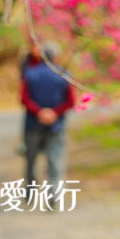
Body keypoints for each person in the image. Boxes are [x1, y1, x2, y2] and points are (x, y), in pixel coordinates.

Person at [22, 42, 75, 208]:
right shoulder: (64, 75)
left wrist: (39, 112)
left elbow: (24, 98)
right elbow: (71, 101)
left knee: (31, 161)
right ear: (56, 57)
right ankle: (53, 196)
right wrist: (54, 113)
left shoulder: (30, 73)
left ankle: (30, 193)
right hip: (56, 126)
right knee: (55, 162)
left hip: (32, 124)